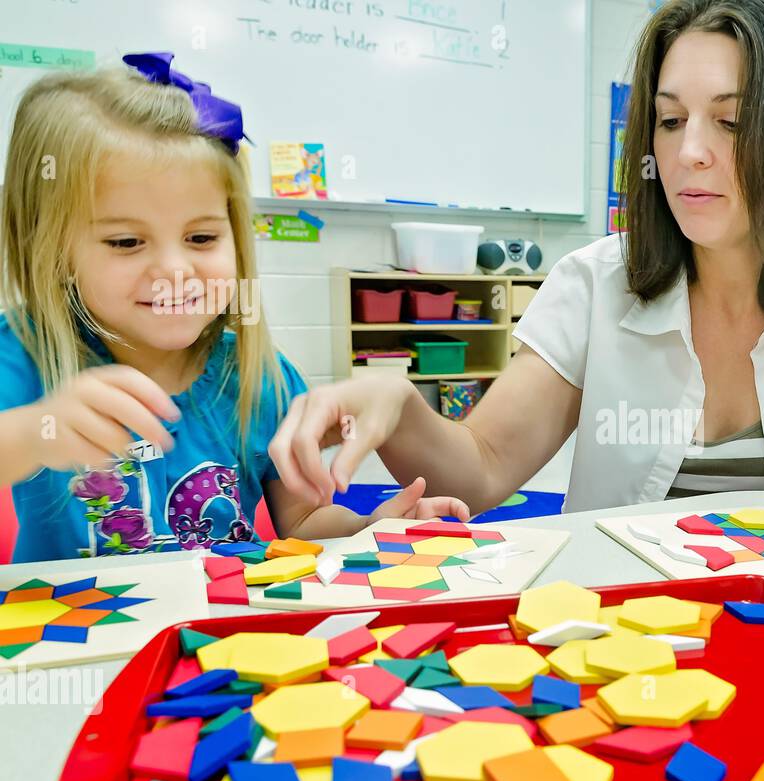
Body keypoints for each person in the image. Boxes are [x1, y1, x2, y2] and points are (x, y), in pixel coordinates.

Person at [270, 0, 764, 561]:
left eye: (730, 122)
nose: (688, 151)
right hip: (615, 640)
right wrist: (399, 403)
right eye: (669, 120)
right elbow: (480, 468)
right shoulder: (593, 284)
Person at [0, 54, 466, 561]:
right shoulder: (23, 356)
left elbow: (303, 522)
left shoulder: (258, 376)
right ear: (54, 247)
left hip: (222, 631)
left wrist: (370, 529)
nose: (175, 269)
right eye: (127, 241)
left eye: (201, 237)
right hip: (78, 636)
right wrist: (33, 433)